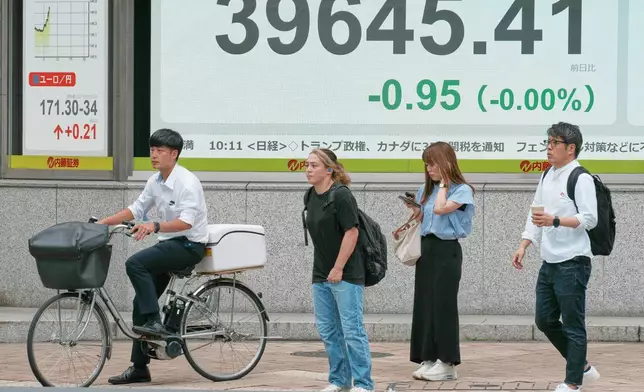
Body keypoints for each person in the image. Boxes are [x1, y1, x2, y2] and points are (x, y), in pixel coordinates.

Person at [97, 128, 209, 385]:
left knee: (135, 263)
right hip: (169, 244)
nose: (154, 155)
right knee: (140, 304)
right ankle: (139, 368)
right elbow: (135, 209)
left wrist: (154, 226)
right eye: (152, 150)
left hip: (189, 246)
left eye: (160, 151)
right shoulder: (155, 181)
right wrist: (102, 223)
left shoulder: (187, 183)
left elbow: (186, 223)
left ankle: (156, 323)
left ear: (174, 154)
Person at [512, 122, 601, 392]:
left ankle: (573, 382)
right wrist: (524, 244)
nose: (548, 149)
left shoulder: (580, 177)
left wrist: (556, 220)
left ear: (570, 148)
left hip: (573, 262)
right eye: (547, 143)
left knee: (574, 324)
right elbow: (535, 212)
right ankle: (583, 367)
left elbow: (590, 218)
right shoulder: (547, 174)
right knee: (545, 320)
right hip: (549, 261)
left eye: (554, 143)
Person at [303, 148, 374, 392]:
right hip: (321, 273)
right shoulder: (310, 195)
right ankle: (339, 381)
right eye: (307, 165)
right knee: (328, 331)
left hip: (346, 273)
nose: (308, 170)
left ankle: (364, 384)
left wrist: (338, 267)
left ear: (329, 169)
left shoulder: (342, 195)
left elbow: (351, 232)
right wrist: (325, 270)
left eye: (314, 165)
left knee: (352, 330)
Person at [403, 142, 475, 382]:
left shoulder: (461, 190)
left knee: (443, 306)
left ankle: (447, 362)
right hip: (427, 248)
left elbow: (442, 209)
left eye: (432, 162)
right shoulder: (428, 189)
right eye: (426, 162)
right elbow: (427, 217)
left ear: (445, 163)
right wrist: (415, 210)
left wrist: (444, 182)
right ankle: (429, 358)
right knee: (425, 304)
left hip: (447, 250)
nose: (428, 167)